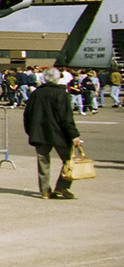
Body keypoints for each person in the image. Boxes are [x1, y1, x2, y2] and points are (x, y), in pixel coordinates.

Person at [23, 67, 83, 200]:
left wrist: (30, 131)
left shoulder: (36, 94)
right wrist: (74, 134)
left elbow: (27, 115)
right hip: (58, 133)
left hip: (40, 133)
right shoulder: (61, 93)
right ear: (58, 78)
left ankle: (45, 191)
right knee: (68, 160)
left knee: (43, 163)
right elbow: (66, 117)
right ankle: (62, 185)